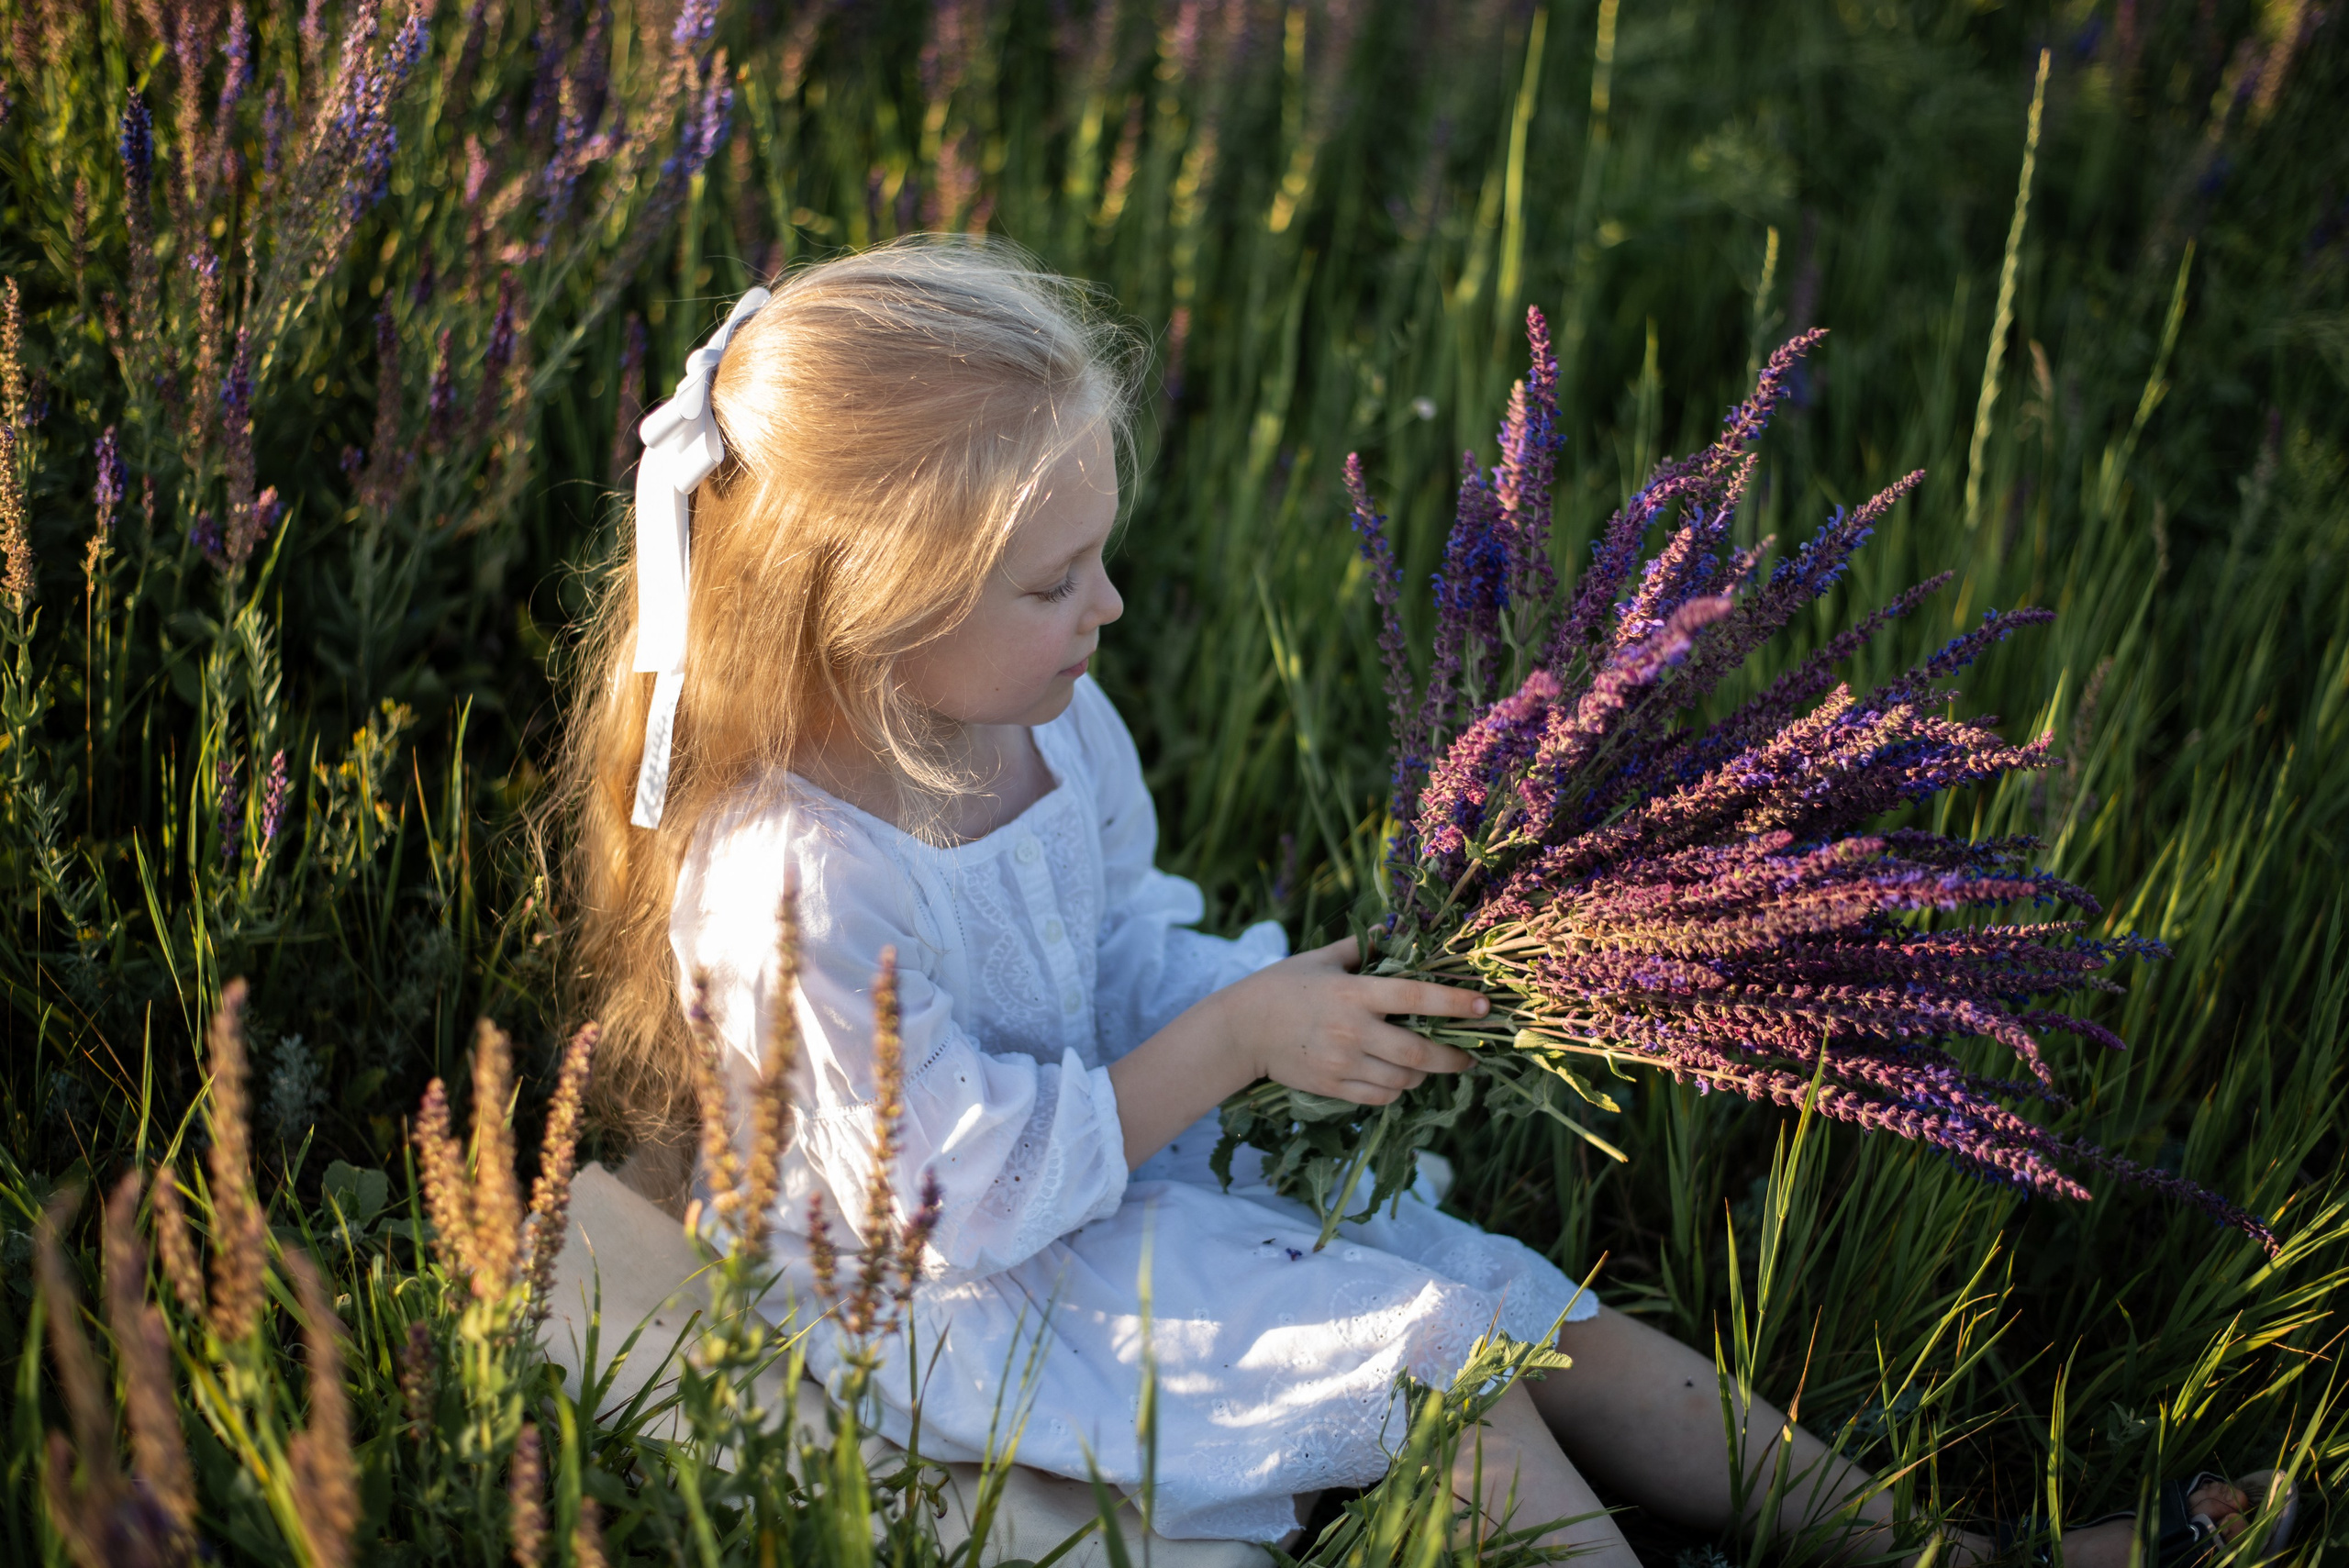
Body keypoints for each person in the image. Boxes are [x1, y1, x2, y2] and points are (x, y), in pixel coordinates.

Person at [551, 238, 2277, 1566]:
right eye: (1055, 578)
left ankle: (1938, 1553)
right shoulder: (789, 875)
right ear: (870, 607)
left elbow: (1122, 936)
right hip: (941, 1297)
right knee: (1444, 1386)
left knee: (1535, 1307)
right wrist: (1234, 1040)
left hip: (1102, 1172)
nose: (1114, 605)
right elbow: (950, 1202)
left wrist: (1296, 1003)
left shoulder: (1047, 719)